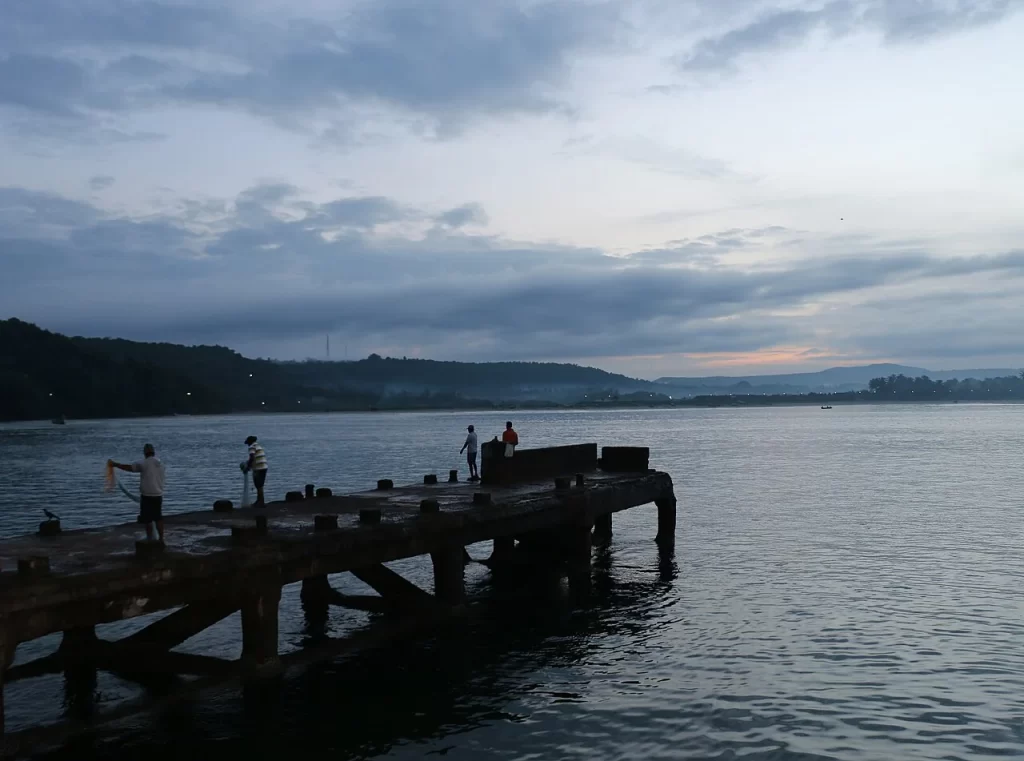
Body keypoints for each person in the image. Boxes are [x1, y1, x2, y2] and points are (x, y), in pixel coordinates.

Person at [109, 443, 165, 543]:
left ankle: (149, 538)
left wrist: (116, 464)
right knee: (158, 518)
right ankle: (161, 539)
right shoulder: (160, 463)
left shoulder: (144, 463)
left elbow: (130, 468)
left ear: (145, 453)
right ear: (154, 452)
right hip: (158, 495)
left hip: (147, 496)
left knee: (147, 519)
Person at [244, 435, 269, 506]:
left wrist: (248, 467)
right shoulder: (258, 446)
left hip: (258, 468)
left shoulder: (251, 447)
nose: (247, 445)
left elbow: (252, 457)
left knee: (258, 485)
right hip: (264, 467)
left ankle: (260, 502)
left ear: (249, 442)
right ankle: (260, 501)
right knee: (260, 485)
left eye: (247, 443)